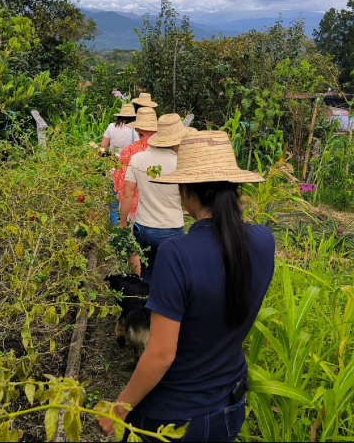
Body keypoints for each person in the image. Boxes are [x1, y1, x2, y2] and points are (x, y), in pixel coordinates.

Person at [98, 130, 275, 442]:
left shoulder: (177, 254)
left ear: (187, 190)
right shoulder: (264, 241)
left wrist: (120, 408)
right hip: (231, 407)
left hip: (174, 419)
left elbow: (160, 354)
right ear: (234, 186)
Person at [118, 114, 195, 283]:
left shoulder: (137, 158)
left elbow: (127, 194)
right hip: (170, 228)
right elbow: (189, 197)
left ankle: (144, 307)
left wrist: (122, 223)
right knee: (169, 277)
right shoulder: (180, 162)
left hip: (142, 228)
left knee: (146, 274)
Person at [112, 107, 158, 225]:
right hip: (160, 213)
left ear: (137, 129)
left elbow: (123, 186)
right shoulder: (166, 150)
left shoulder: (129, 152)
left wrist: (122, 222)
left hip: (135, 211)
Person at [101, 104, 137, 226]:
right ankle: (126, 227)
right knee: (128, 197)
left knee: (113, 201)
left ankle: (113, 229)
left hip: (113, 167)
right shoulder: (135, 130)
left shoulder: (111, 127)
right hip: (129, 169)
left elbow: (102, 148)